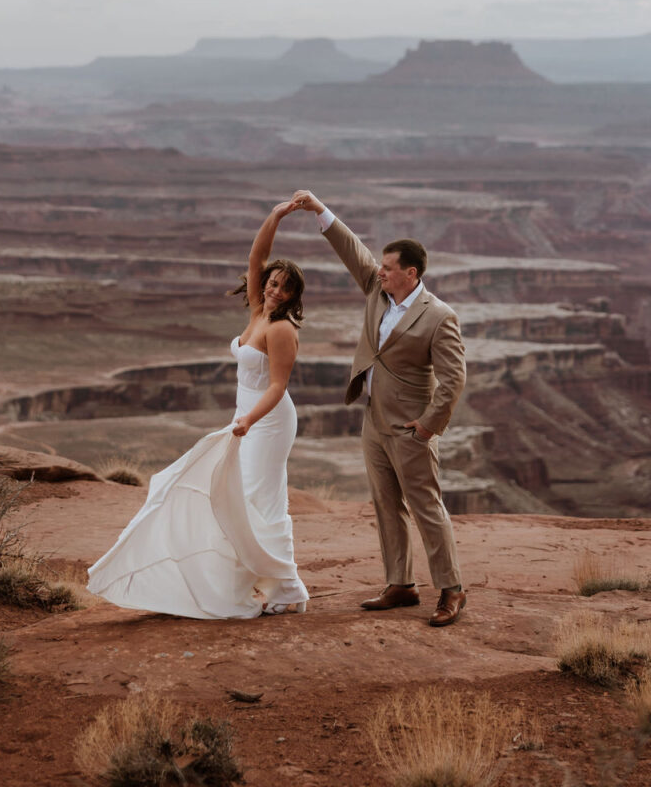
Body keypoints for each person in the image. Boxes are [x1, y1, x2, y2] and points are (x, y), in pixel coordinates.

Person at [87, 201, 309, 619]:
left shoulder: (281, 329)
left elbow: (278, 386)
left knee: (263, 501)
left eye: (284, 287)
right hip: (246, 417)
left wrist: (248, 420)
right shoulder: (259, 310)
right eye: (272, 283)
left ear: (294, 296)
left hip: (268, 421)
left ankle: (288, 588)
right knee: (242, 499)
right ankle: (271, 582)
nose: (273, 289)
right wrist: (276, 217)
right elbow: (255, 258)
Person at [291, 190, 467, 627]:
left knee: (425, 506)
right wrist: (319, 210)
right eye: (381, 268)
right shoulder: (377, 290)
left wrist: (429, 426)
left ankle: (451, 589)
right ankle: (400, 584)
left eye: (388, 268)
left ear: (410, 273)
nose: (380, 272)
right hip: (374, 419)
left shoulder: (438, 316)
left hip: (410, 428)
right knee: (386, 504)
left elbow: (454, 379)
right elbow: (352, 250)